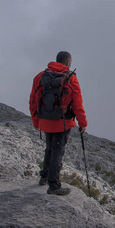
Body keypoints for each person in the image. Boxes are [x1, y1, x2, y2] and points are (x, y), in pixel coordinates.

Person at [29, 51, 87, 195]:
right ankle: (54, 185)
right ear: (68, 63)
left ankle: (44, 176)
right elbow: (77, 103)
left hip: (45, 121)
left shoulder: (40, 77)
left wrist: (36, 121)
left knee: (49, 148)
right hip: (62, 122)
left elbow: (33, 101)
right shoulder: (71, 78)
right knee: (57, 152)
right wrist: (82, 122)